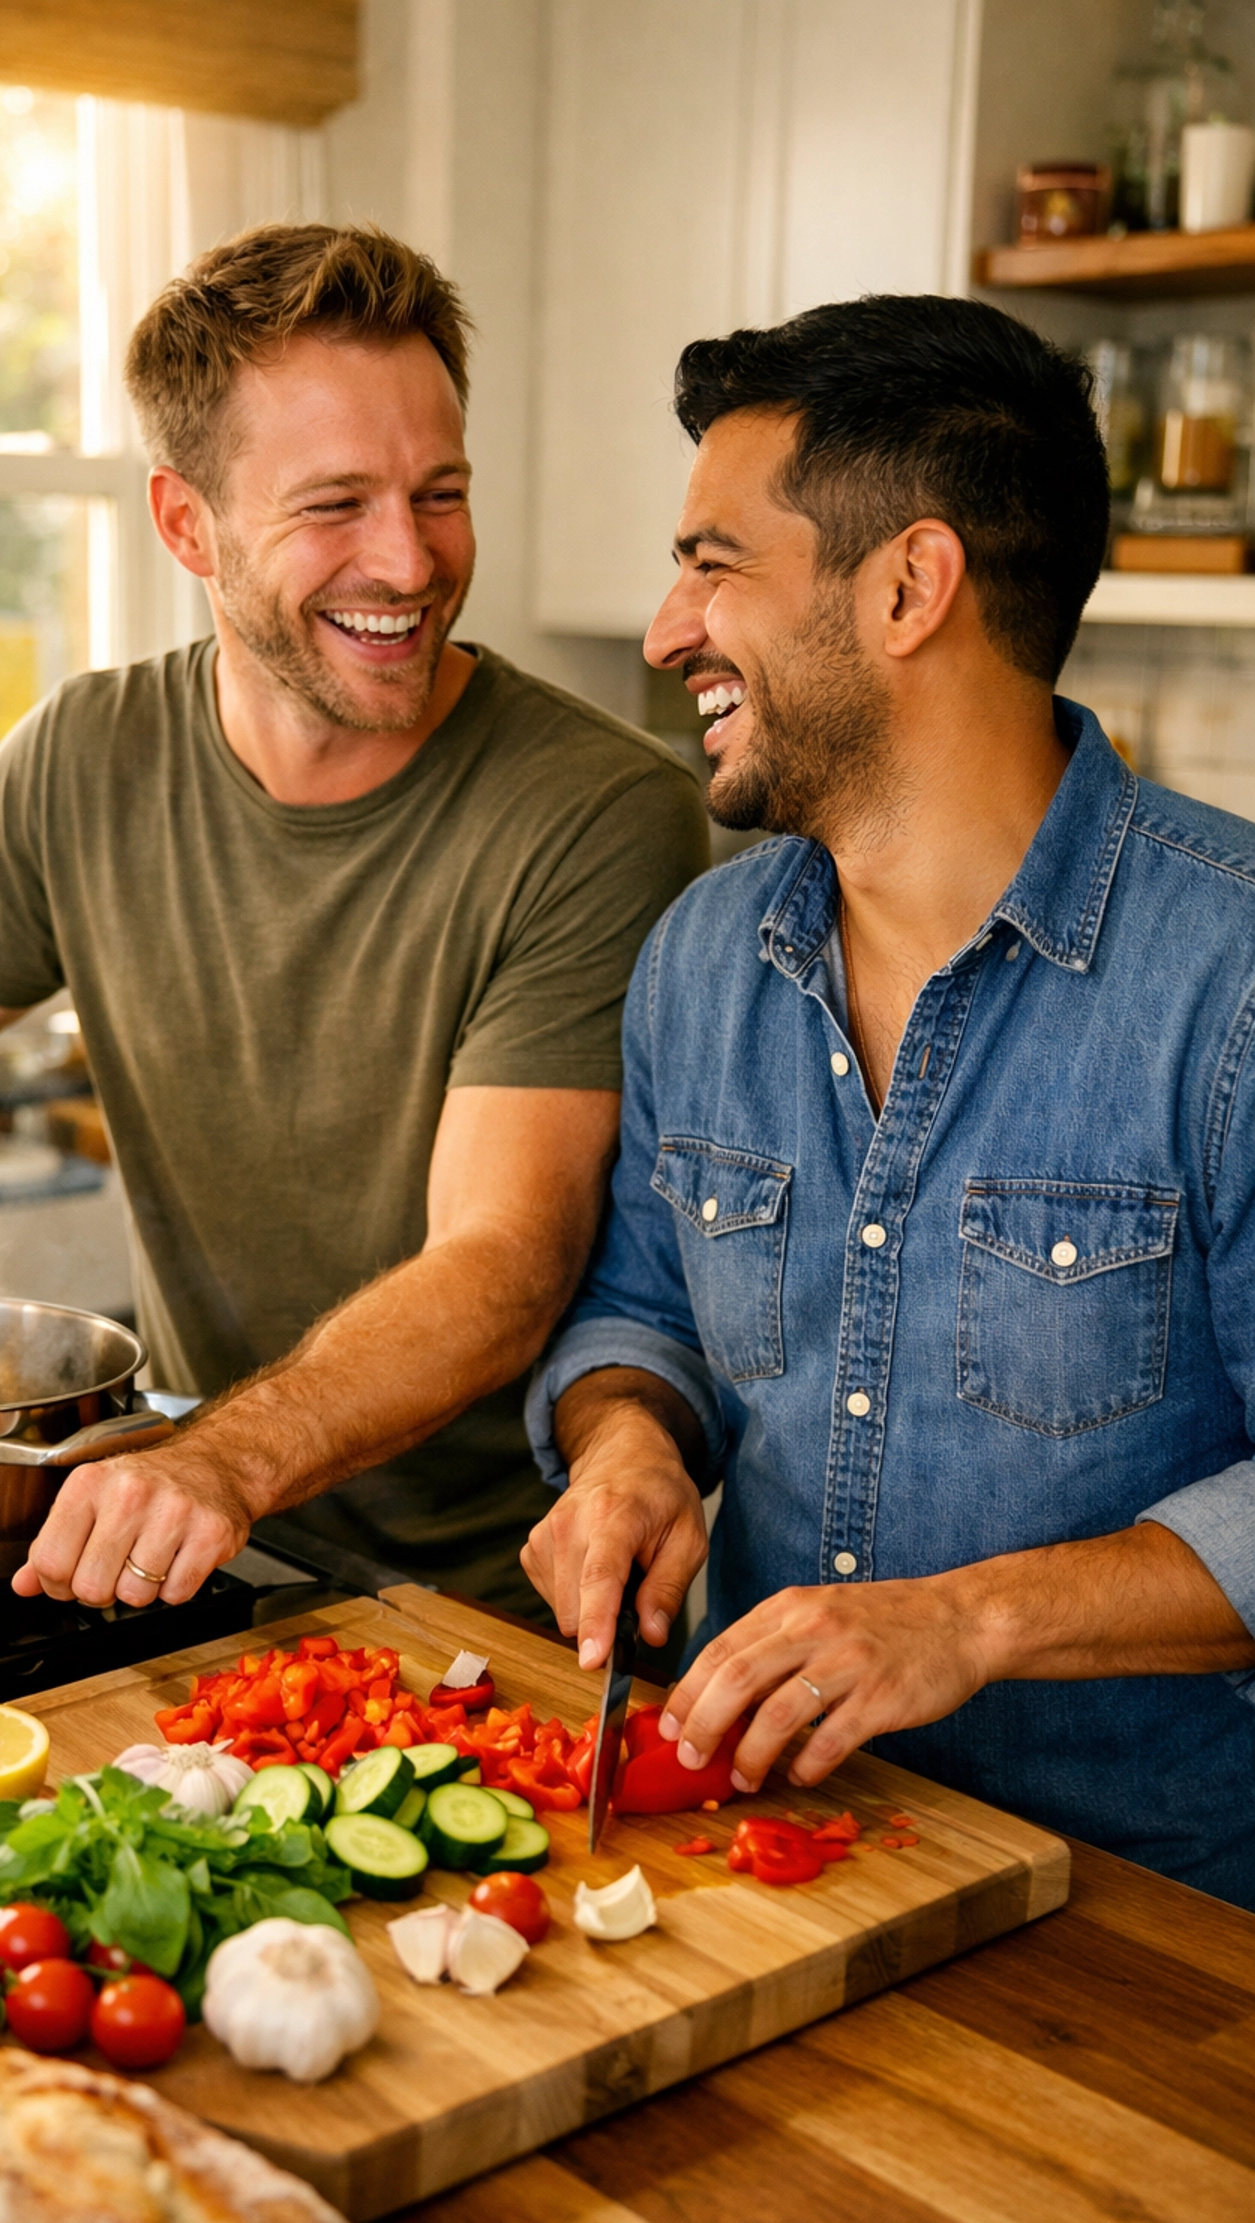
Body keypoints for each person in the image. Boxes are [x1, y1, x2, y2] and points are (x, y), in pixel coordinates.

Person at [0, 223, 707, 1620]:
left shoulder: (595, 808)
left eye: (439, 492)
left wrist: (215, 1460)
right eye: (335, 505)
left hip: (479, 1612)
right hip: (198, 1562)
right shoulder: (86, 755)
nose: (407, 561)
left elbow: (505, 1266)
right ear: (185, 524)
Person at [522, 293, 1255, 1905]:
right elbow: (638, 1308)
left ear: (911, 586)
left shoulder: (1232, 983)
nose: (665, 630)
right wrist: (627, 1449)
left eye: (714, 566)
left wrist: (965, 1620)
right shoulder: (703, 958)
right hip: (761, 1863)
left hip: (1142, 1924)